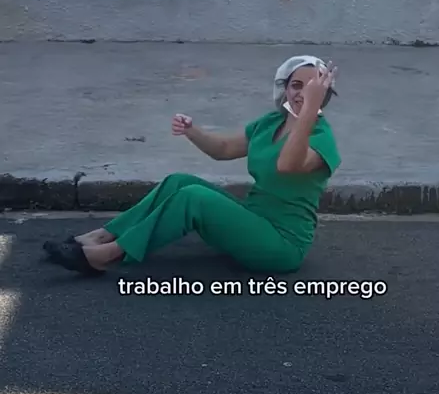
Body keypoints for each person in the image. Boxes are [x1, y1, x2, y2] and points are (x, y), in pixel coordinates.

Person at [43, 55, 341, 277]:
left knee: (194, 198)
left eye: (311, 88)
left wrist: (310, 110)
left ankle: (107, 256)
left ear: (323, 94)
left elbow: (287, 165)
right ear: (284, 89)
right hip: (253, 219)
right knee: (179, 181)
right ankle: (103, 235)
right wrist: (192, 131)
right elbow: (224, 150)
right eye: (296, 85)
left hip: (282, 244)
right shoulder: (271, 122)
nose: (302, 93)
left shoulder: (322, 137)